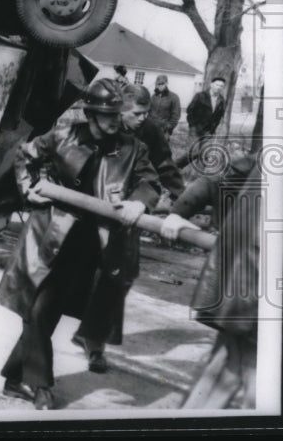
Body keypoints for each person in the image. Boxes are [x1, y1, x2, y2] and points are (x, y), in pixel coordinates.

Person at [0, 79, 161, 410]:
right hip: (49, 237)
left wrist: (139, 203)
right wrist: (29, 190)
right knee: (37, 309)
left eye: (117, 114)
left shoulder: (132, 148)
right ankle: (41, 385)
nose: (114, 121)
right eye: (107, 114)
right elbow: (26, 156)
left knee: (49, 310)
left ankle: (14, 378)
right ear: (93, 114)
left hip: (92, 245)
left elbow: (150, 183)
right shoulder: (63, 135)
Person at [69, 84, 184, 374]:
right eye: (137, 113)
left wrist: (181, 205)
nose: (142, 118)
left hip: (130, 212)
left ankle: (93, 338)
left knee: (121, 277)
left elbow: (165, 166)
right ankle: (90, 336)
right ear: (121, 110)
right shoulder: (105, 129)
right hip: (92, 208)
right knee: (85, 275)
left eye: (146, 113)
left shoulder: (150, 133)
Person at [160, 151, 261, 408]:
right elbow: (217, 180)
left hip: (250, 281)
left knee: (230, 368)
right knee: (252, 373)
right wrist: (179, 212)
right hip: (254, 280)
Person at [178, 76, 228, 170]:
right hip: (196, 129)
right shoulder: (200, 96)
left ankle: (198, 177)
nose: (219, 87)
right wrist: (192, 125)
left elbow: (219, 116)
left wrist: (213, 129)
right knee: (194, 152)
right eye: (217, 85)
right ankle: (176, 166)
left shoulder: (222, 100)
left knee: (205, 154)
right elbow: (190, 110)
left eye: (221, 86)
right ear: (211, 84)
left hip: (209, 131)